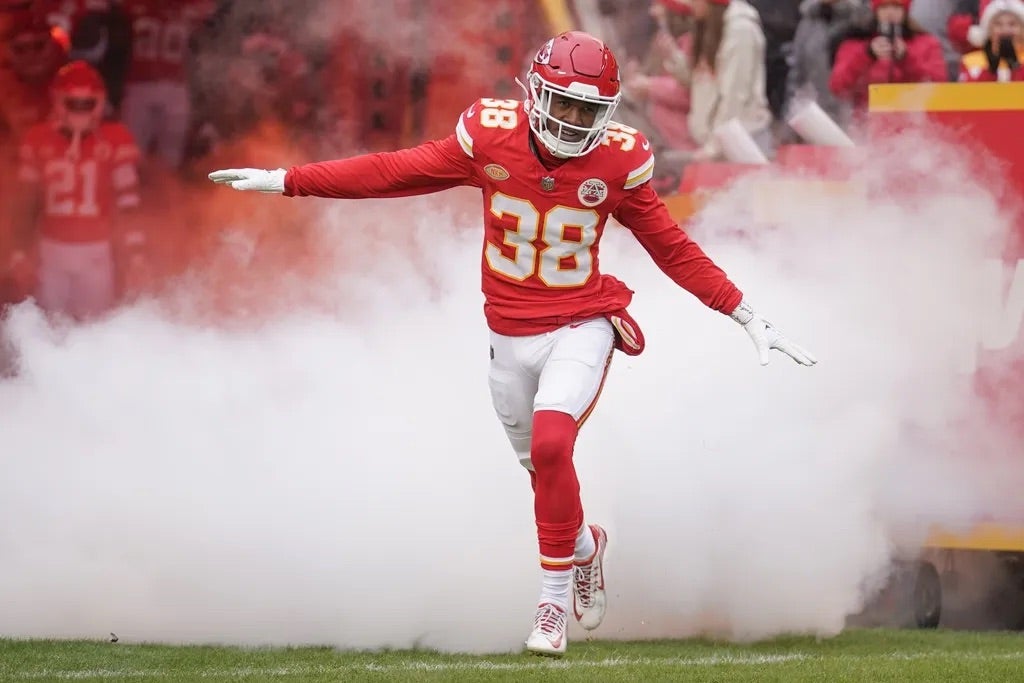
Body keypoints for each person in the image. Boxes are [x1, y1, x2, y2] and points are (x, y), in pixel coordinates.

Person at [209, 30, 817, 656]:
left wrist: (742, 311)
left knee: (554, 442)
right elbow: (394, 173)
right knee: (542, 473)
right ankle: (585, 547)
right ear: (535, 93)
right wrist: (290, 180)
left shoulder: (618, 159)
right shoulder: (490, 136)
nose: (577, 120)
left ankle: (551, 606)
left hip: (581, 320)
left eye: (590, 110)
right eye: (567, 104)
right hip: (508, 331)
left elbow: (672, 247)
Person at [12, 60, 145, 321]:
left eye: (87, 104)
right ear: (58, 102)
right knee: (50, 328)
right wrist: (19, 251)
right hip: (52, 251)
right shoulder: (37, 139)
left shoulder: (115, 138)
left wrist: (136, 254)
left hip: (96, 251)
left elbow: (128, 202)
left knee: (94, 329)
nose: (80, 112)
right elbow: (26, 203)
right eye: (73, 103)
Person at [958, 0, 1024, 80]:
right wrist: (991, 72)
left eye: (1012, 24)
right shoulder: (970, 62)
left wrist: (1015, 67)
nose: (1005, 30)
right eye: (998, 24)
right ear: (988, 30)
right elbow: (968, 91)